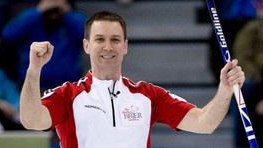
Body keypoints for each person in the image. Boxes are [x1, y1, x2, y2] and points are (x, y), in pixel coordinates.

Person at [19, 11, 245, 148]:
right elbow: (31, 120)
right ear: (86, 46)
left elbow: (204, 123)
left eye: (115, 39)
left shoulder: (148, 96)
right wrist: (34, 70)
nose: (108, 47)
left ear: (125, 46)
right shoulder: (68, 95)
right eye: (100, 39)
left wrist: (225, 89)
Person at [1, 0, 87, 91]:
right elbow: (7, 34)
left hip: (67, 86)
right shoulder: (30, 16)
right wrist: (38, 12)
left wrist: (68, 14)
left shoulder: (76, 18)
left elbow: (89, 38)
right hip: (33, 85)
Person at [232, 18, 263, 147]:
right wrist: (255, 74)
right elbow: (241, 57)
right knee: (242, 89)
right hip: (256, 79)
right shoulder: (252, 29)